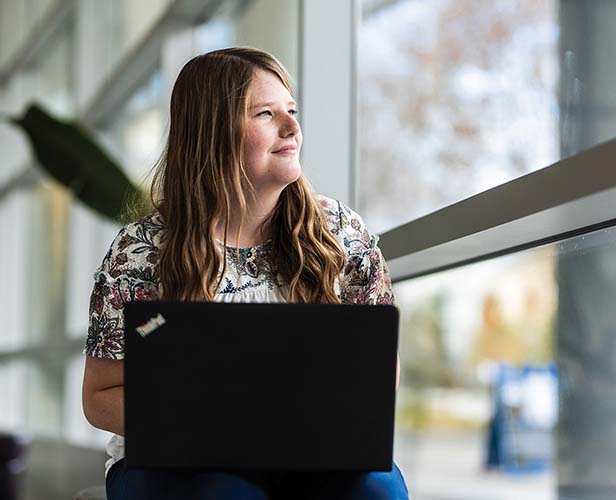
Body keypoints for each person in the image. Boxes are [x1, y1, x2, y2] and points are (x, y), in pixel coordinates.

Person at [81, 47, 408, 500]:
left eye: (291, 111)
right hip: (177, 459)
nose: (292, 127)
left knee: (378, 490)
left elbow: (378, 372)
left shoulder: (342, 234)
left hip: (312, 453)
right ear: (213, 133)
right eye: (266, 114)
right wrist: (211, 423)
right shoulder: (141, 252)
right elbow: (99, 396)